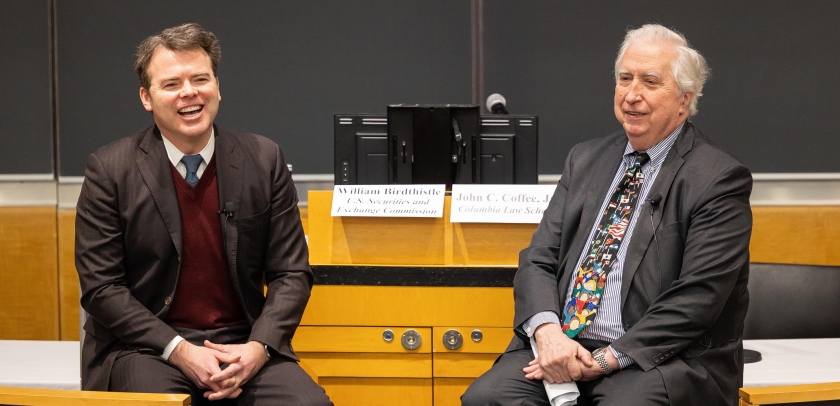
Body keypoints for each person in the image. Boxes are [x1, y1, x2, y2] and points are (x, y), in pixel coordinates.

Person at [462, 24, 752, 406]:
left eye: (650, 82)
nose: (632, 95)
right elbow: (538, 260)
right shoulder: (584, 159)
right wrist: (549, 334)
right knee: (488, 398)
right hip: (563, 345)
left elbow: (698, 298)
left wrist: (601, 361)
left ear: (685, 99)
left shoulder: (718, 179)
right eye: (624, 79)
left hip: (658, 358)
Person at [75, 23, 332, 406]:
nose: (189, 93)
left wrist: (259, 347)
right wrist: (180, 349)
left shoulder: (264, 159)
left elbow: (291, 272)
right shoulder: (110, 169)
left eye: (200, 78)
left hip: (243, 345)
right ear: (147, 97)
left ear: (217, 86)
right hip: (146, 346)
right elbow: (101, 288)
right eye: (172, 84)